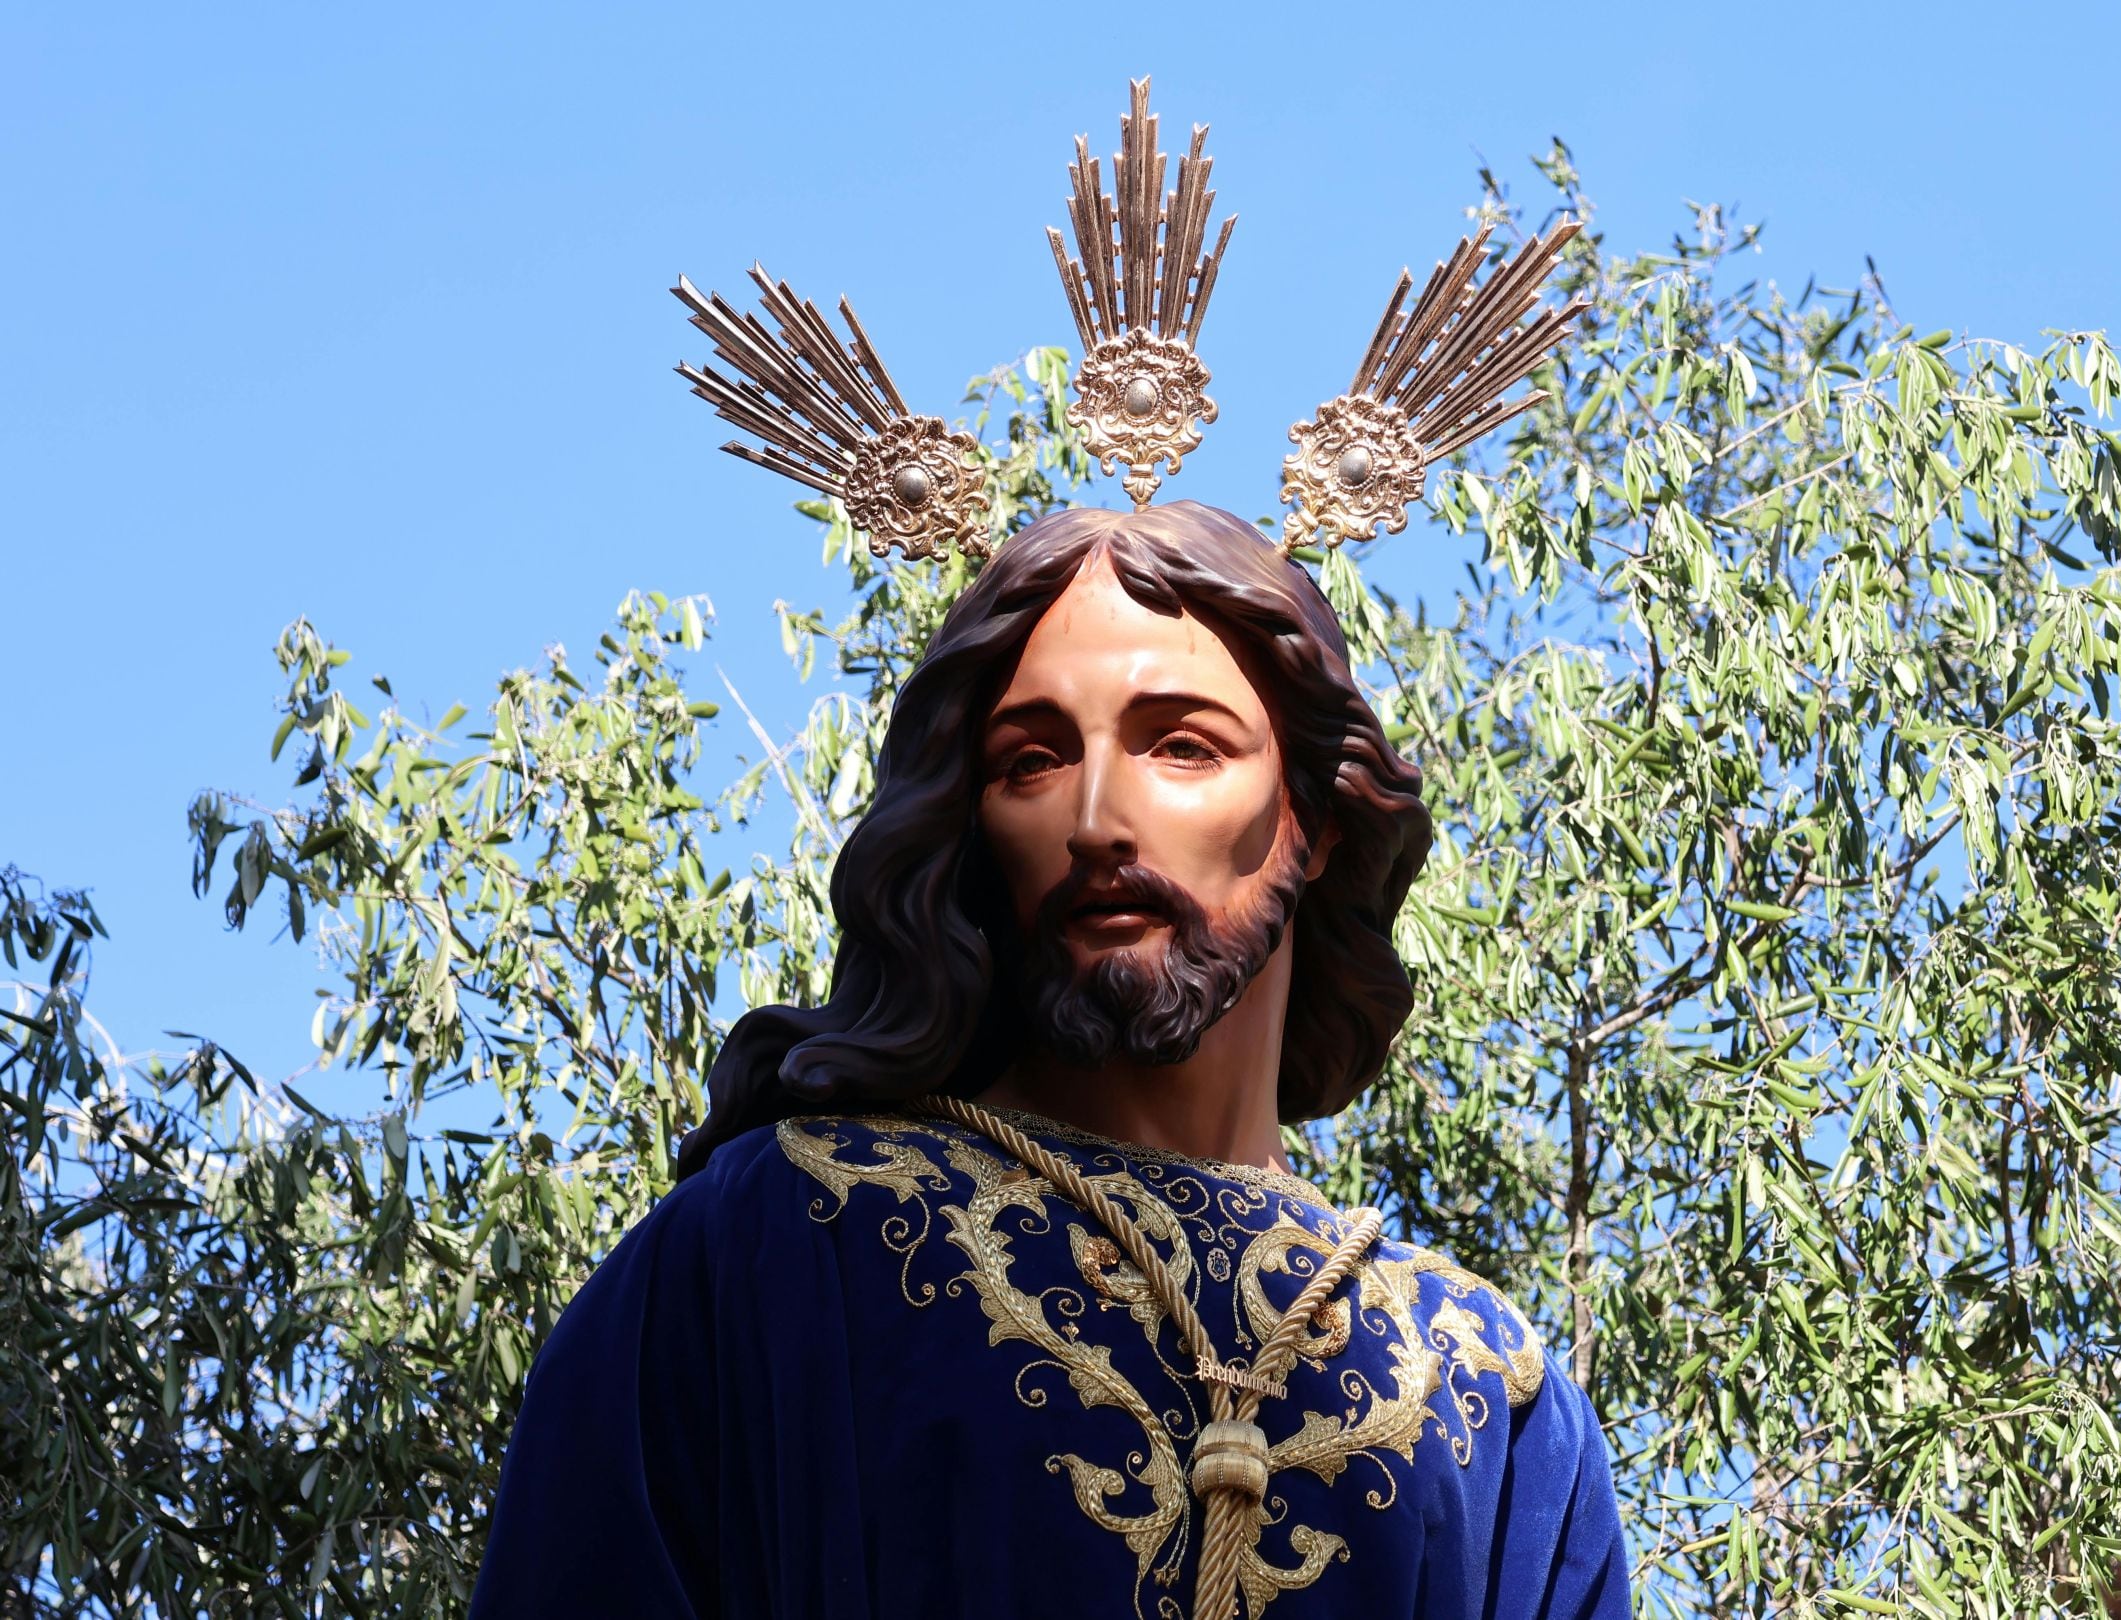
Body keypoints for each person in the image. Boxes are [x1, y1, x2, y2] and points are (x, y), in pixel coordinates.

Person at [472, 84, 1627, 1620]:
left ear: (1318, 812)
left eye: (1181, 745)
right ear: (965, 822)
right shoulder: (772, 1248)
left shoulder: (1483, 1384)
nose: (1097, 819)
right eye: (1031, 760)